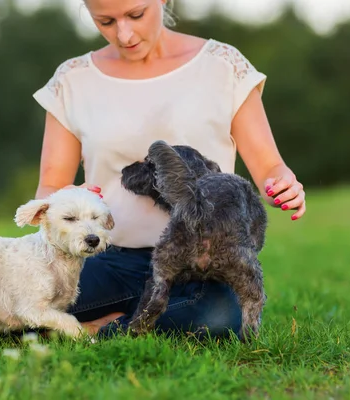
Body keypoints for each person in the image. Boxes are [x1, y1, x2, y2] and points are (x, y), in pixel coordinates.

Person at [29, 0, 307, 339]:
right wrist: (69, 199)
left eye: (136, 14)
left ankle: (96, 328)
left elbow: (269, 165)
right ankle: (138, 316)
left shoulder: (222, 66)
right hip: (107, 256)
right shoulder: (72, 80)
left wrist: (282, 184)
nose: (125, 34)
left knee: (217, 320)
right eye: (106, 21)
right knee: (3, 311)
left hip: (202, 264)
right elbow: (51, 186)